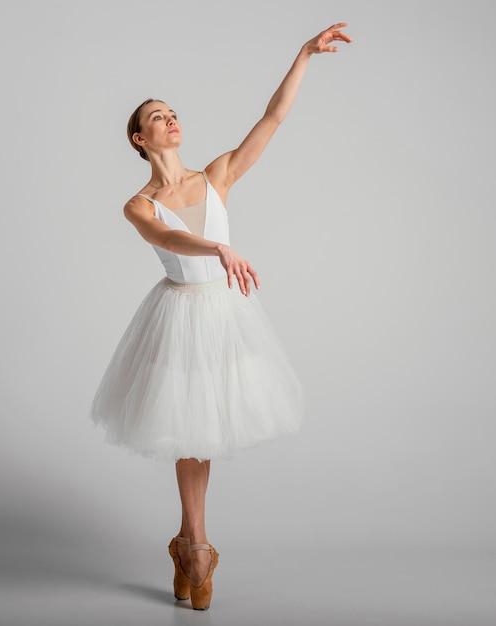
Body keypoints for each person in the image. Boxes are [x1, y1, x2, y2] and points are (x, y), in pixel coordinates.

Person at [90, 23, 352, 610]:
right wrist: (219, 249)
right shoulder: (139, 204)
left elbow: (273, 117)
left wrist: (304, 55)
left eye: (173, 111)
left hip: (224, 316)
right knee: (189, 431)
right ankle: (199, 547)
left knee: (201, 432)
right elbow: (167, 238)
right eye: (158, 116)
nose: (171, 119)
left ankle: (191, 545)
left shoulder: (216, 176)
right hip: (178, 315)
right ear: (139, 136)